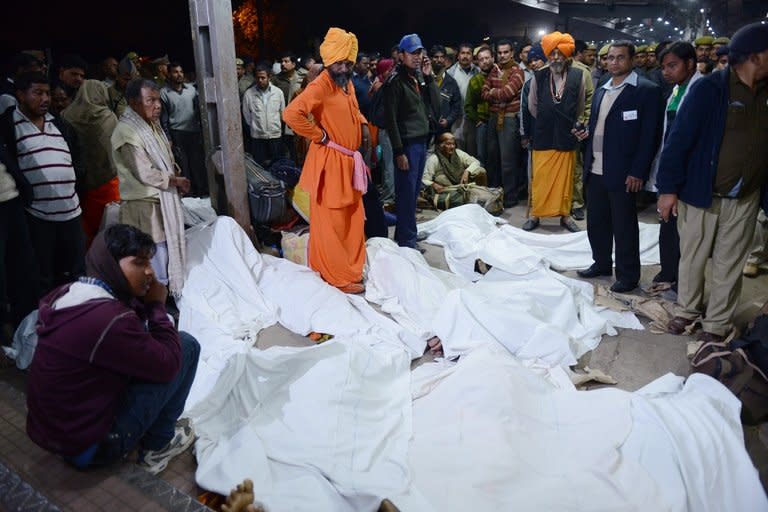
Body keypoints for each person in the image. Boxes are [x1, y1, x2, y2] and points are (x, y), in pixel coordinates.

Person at [26, 223, 200, 475]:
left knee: (146, 352)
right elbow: (169, 365)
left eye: (149, 262)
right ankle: (158, 446)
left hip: (55, 435)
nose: (150, 272)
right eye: (139, 263)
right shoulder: (109, 320)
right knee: (186, 347)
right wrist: (156, 309)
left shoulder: (67, 294)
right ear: (109, 264)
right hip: (89, 448)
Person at [656, 22, 768, 343]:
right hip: (701, 192)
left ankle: (716, 324)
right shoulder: (711, 89)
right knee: (692, 256)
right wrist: (668, 190)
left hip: (745, 196)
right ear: (756, 57)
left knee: (729, 263)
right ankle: (687, 310)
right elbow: (678, 141)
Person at [283, 27, 371, 294]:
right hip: (330, 161)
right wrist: (318, 135)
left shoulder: (347, 84)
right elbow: (291, 114)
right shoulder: (321, 84)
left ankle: (350, 268)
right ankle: (337, 277)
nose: (344, 68)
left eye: (348, 63)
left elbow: (354, 110)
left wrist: (364, 127)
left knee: (352, 217)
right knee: (332, 222)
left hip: (350, 162)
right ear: (329, 61)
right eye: (339, 63)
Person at [577, 41, 663, 293]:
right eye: (610, 58)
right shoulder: (602, 89)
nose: (613, 62)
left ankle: (628, 275)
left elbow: (650, 136)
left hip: (624, 172)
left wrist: (638, 171)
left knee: (624, 226)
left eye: (620, 58)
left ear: (632, 60)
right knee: (597, 222)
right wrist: (585, 133)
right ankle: (601, 263)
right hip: (596, 167)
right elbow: (598, 125)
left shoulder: (646, 90)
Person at [0, 71, 86, 295]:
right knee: (42, 276)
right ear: (20, 95)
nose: (45, 99)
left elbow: (75, 155)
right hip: (38, 215)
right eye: (37, 93)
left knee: (77, 273)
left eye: (47, 93)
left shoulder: (58, 122)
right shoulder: (9, 125)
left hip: (71, 212)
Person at [111, 79, 190, 297]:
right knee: (155, 253)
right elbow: (144, 173)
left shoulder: (150, 125)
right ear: (134, 103)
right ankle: (157, 300)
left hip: (159, 200)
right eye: (150, 100)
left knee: (162, 250)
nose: (157, 105)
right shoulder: (127, 131)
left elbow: (165, 158)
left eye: (158, 100)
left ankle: (163, 296)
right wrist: (177, 181)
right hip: (143, 205)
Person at [645, 42, 701, 288]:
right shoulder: (677, 91)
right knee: (668, 223)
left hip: (688, 171)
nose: (666, 72)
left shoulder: (700, 90)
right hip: (671, 168)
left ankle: (682, 280)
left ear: (690, 64)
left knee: (686, 231)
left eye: (672, 65)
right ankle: (668, 271)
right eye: (664, 67)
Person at [524, 32, 586, 233]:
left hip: (566, 134)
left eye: (560, 53)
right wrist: (547, 117)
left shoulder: (578, 76)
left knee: (565, 180)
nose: (556, 57)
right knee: (540, 178)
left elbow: (580, 106)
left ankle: (565, 216)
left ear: (567, 55)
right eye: (553, 53)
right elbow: (532, 106)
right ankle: (536, 214)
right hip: (542, 133)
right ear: (548, 54)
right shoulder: (539, 76)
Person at [384, 33, 440, 248]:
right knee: (406, 195)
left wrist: (429, 77)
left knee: (413, 193)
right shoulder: (395, 82)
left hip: (421, 143)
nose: (417, 57)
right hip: (407, 146)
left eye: (419, 52)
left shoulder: (417, 79)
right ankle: (407, 240)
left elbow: (436, 106)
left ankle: (405, 233)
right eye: (412, 53)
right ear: (401, 55)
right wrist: (399, 152)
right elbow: (392, 120)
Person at [61, 80, 121, 245]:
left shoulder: (66, 116)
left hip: (79, 182)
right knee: (110, 223)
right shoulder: (107, 116)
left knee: (86, 224)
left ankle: (87, 260)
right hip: (108, 179)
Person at [481, 39, 525, 208]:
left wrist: (493, 91)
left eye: (506, 52)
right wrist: (494, 92)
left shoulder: (518, 71)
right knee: (492, 158)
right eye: (499, 53)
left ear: (512, 53)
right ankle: (494, 194)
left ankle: (510, 197)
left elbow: (507, 93)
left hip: (509, 118)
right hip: (494, 117)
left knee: (508, 160)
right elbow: (483, 92)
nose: (502, 55)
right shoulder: (494, 69)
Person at [161, 62, 208, 197]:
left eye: (181, 71)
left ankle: (202, 191)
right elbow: (164, 118)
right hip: (177, 133)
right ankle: (188, 193)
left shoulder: (191, 90)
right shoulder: (164, 93)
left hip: (193, 132)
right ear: (169, 74)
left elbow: (199, 112)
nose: (179, 74)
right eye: (175, 72)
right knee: (183, 165)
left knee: (197, 163)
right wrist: (168, 138)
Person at [422, 132, 500, 213]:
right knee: (441, 179)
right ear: (441, 145)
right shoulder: (433, 159)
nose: (452, 147)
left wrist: (467, 171)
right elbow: (425, 179)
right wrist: (434, 185)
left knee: (481, 170)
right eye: (448, 144)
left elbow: (475, 162)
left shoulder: (458, 153)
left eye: (453, 144)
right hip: (447, 189)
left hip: (463, 183)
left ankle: (481, 195)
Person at [242, 63, 285, 166]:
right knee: (260, 166)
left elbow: (282, 113)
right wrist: (255, 127)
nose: (260, 80)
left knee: (277, 166)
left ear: (269, 77)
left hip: (275, 136)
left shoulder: (278, 93)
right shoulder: (249, 94)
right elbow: (247, 116)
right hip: (257, 137)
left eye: (263, 77)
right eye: (258, 78)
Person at [446, 43, 479, 152]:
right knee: (457, 152)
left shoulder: (478, 72)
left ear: (472, 55)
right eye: (462, 53)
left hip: (474, 120)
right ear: (458, 56)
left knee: (473, 153)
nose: (465, 56)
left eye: (468, 53)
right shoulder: (450, 73)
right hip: (457, 120)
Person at [464, 47, 494, 166]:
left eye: (487, 58)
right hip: (483, 123)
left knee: (496, 155)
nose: (485, 61)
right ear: (477, 62)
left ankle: (496, 183)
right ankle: (483, 182)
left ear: (493, 58)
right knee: (481, 154)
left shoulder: (500, 76)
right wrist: (477, 120)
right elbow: (468, 105)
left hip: (499, 121)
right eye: (481, 59)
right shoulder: (475, 80)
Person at [429, 45, 462, 135]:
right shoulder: (424, 80)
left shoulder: (451, 82)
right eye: (436, 57)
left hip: (444, 129)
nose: (439, 60)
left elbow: (456, 105)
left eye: (442, 57)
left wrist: (448, 120)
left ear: (445, 59)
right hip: (427, 128)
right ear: (430, 59)